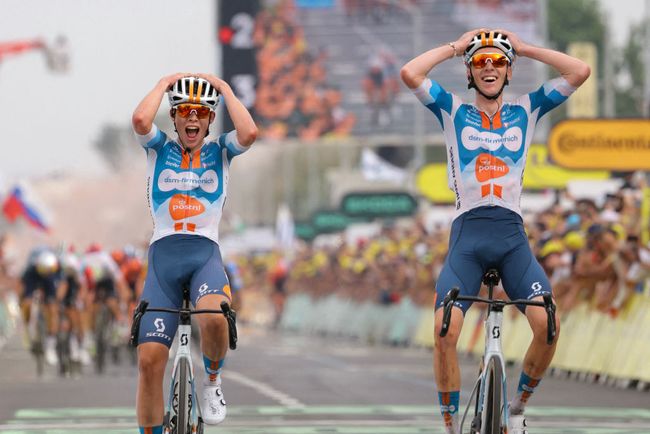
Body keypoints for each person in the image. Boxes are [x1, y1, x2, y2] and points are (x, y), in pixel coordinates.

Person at [401, 29, 590, 433]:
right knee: (444, 329)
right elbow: (410, 73)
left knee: (548, 325)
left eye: (499, 61)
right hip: (467, 234)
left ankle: (519, 406)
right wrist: (455, 47)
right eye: (481, 61)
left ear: (508, 70)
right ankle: (451, 426)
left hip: (510, 236)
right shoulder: (452, 109)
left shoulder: (529, 108)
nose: (490, 66)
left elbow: (580, 70)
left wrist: (523, 48)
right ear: (470, 72)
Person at [131, 73, 257, 434]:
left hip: (204, 253)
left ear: (210, 119)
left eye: (201, 112)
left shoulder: (221, 150)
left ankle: (213, 382)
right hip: (163, 258)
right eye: (184, 110)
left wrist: (227, 90)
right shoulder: (159, 148)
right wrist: (162, 83)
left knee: (216, 316)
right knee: (150, 362)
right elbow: (140, 120)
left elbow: (249, 133)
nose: (192, 118)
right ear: (173, 116)